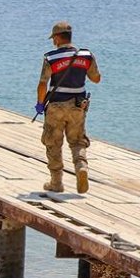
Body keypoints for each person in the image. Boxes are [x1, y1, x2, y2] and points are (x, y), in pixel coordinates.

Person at [36, 21, 101, 194]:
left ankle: (56, 183)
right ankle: (81, 167)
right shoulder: (87, 55)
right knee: (77, 140)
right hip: (78, 106)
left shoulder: (50, 57)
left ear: (57, 37)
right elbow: (96, 79)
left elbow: (43, 83)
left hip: (56, 106)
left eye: (53, 38)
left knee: (53, 142)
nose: (53, 42)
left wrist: (40, 104)